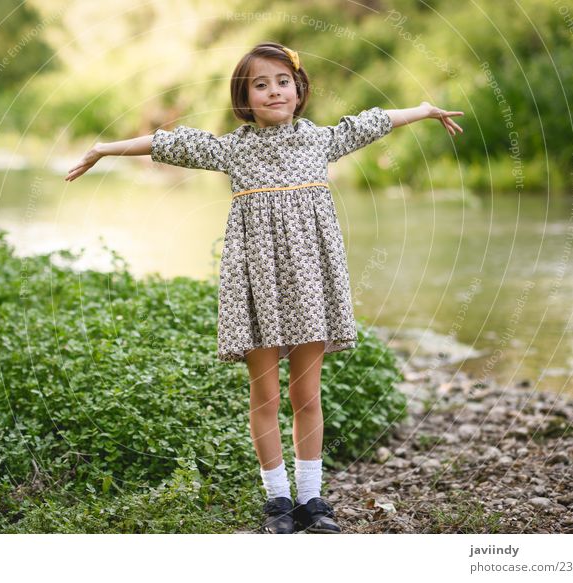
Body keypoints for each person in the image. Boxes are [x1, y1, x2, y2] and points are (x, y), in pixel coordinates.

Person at [65, 41, 463, 534]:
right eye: (260, 84)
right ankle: (277, 501)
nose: (274, 91)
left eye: (282, 82)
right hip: (256, 288)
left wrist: (423, 111)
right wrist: (105, 148)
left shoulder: (320, 141)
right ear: (244, 98)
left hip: (311, 283)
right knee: (265, 398)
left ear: (298, 91)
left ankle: (313, 499)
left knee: (307, 396)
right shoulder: (232, 148)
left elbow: (373, 121)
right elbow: (167, 143)